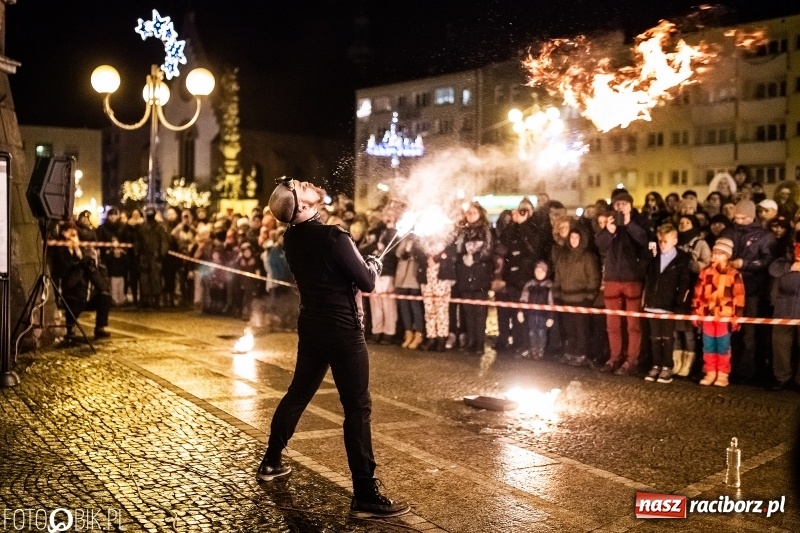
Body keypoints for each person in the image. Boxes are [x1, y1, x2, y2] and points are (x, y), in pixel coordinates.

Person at [257, 177, 409, 519]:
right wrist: (371, 265)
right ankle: (365, 495)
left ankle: (271, 461)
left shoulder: (291, 237)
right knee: (357, 407)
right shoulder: (334, 236)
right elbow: (367, 282)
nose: (302, 181)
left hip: (312, 326)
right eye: (297, 186)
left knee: (297, 393)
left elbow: (337, 271)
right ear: (304, 207)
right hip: (342, 330)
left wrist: (362, 263)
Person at [595, 191, 649, 375]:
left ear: (631, 206)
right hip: (612, 278)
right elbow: (600, 244)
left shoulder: (640, 220)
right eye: (617, 205)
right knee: (613, 323)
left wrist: (628, 224)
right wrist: (609, 231)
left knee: (632, 324)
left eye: (624, 204)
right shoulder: (610, 222)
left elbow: (645, 240)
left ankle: (632, 359)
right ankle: (614, 357)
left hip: (632, 278)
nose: (620, 207)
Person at [642, 224, 692, 384]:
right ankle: (656, 365)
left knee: (667, 336)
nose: (662, 244)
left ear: (674, 241)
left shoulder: (682, 259)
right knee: (654, 336)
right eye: (660, 240)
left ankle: (667, 366)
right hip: (653, 303)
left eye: (666, 241)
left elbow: (683, 284)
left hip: (669, 304)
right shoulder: (654, 257)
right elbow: (648, 278)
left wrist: (678, 304)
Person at [692, 237, 745, 387]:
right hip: (708, 316)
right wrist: (697, 312)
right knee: (708, 345)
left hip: (725, 317)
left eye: (720, 253)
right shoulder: (705, 273)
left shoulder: (733, 274)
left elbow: (739, 296)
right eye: (714, 253)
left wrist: (737, 316)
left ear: (728, 255)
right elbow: (698, 294)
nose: (715, 256)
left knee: (723, 346)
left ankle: (722, 373)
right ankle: (710, 371)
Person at [50, 221, 112, 340]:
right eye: (71, 235)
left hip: (88, 295)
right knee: (76, 297)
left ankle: (100, 327)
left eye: (75, 236)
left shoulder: (93, 262)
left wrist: (92, 269)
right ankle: (70, 326)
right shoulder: (63, 252)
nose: (73, 239)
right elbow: (69, 281)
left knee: (105, 296)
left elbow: (103, 286)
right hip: (75, 294)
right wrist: (80, 265)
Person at [551, 227, 600, 366]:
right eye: (571, 238)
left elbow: (593, 278)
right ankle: (570, 352)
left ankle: (581, 354)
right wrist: (557, 295)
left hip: (581, 300)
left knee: (581, 329)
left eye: (576, 238)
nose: (573, 240)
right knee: (569, 328)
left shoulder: (587, 257)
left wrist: (589, 297)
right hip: (566, 299)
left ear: (581, 239)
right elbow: (558, 276)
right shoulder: (563, 256)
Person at [519, 261, 554, 360]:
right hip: (531, 314)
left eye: (542, 271)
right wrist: (520, 311)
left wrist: (550, 317)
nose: (539, 273)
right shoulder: (529, 284)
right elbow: (523, 298)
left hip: (543, 315)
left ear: (546, 272)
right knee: (532, 332)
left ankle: (540, 352)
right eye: (537, 271)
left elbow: (551, 302)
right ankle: (533, 351)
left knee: (542, 333)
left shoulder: (549, 285)